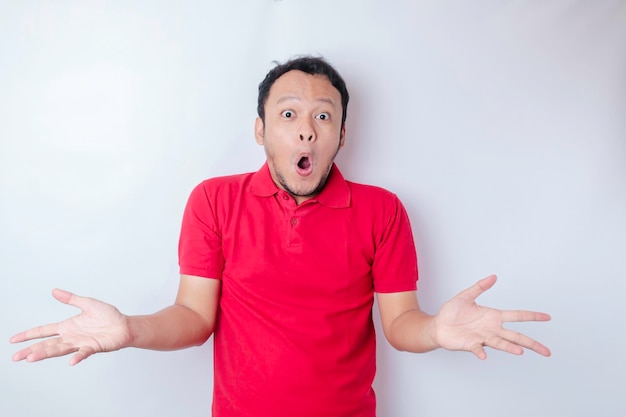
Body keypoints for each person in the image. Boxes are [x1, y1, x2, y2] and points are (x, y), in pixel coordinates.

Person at [10, 56, 551, 417]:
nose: (306, 128)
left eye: (323, 116)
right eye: (288, 113)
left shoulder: (382, 210)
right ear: (260, 128)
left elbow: (401, 324)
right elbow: (195, 317)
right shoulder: (213, 201)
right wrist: (129, 328)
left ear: (341, 134)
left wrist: (436, 330)